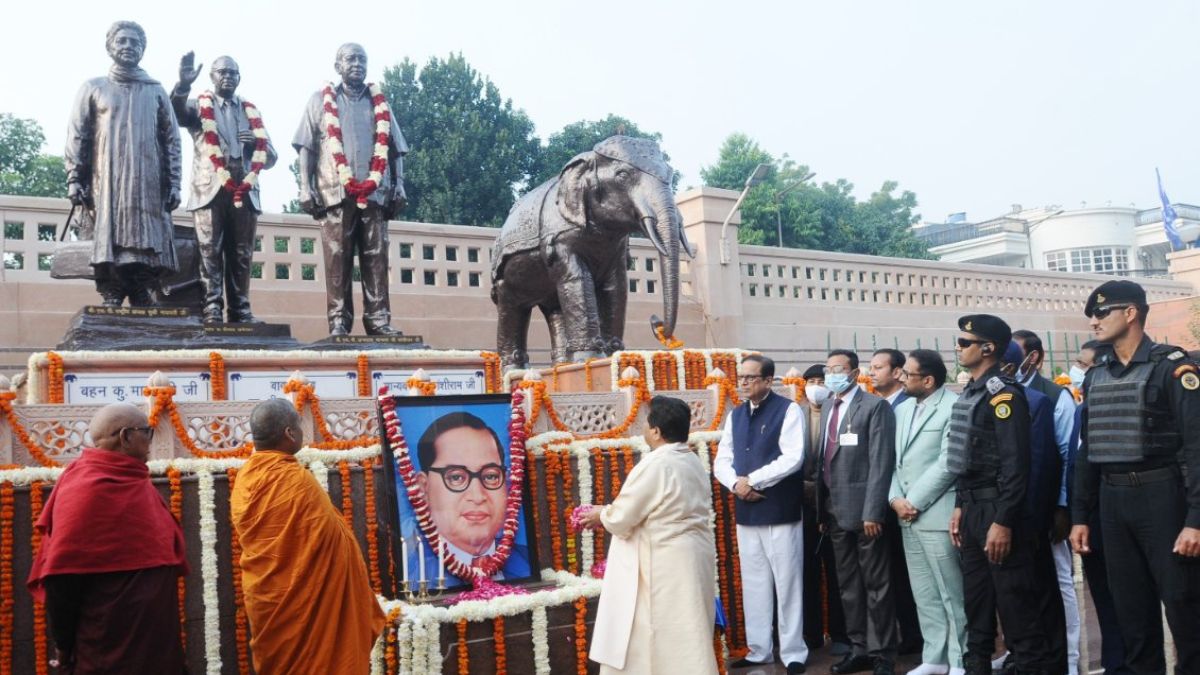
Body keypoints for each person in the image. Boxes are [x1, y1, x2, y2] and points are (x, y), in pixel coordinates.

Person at [1069, 280, 1200, 673]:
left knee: (1184, 609)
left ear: (1131, 314)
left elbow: (1196, 447)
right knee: (1131, 614)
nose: (1094, 322)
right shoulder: (1097, 375)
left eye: (1102, 313)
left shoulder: (1173, 367)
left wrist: (1195, 519)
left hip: (1162, 497)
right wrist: (1080, 514)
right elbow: (1087, 452)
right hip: (1113, 501)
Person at [27, 403, 187, 674]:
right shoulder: (85, 488)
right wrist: (64, 647)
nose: (150, 440)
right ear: (125, 437)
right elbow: (62, 581)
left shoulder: (133, 478)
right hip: (108, 648)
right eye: (146, 432)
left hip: (158, 645)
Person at [947, 314, 1065, 675]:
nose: (958, 347)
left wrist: (1003, 521)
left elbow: (1017, 467)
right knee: (977, 605)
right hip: (972, 507)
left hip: (999, 510)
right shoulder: (972, 391)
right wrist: (959, 506)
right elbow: (968, 459)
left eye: (965, 342)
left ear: (989, 348)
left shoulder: (1004, 394)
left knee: (1017, 608)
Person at [231, 399, 385, 674]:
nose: (301, 431)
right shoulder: (293, 480)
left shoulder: (246, 478)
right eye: (299, 426)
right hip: (306, 608)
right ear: (289, 433)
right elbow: (321, 535)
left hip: (272, 603)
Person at [586, 396, 719, 674]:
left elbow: (624, 516)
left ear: (656, 432)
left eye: (645, 423)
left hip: (665, 561)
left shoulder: (657, 464)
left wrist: (601, 514)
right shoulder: (691, 459)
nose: (643, 429)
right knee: (689, 628)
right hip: (693, 555)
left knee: (661, 632)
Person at [293, 42, 409, 336]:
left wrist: (400, 185)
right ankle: (338, 322)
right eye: (351, 59)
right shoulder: (319, 100)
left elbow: (395, 149)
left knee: (377, 259)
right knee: (337, 260)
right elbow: (306, 147)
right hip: (335, 192)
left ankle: (379, 319)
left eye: (362, 59)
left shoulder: (379, 103)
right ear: (338, 66)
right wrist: (305, 188)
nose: (357, 64)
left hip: (376, 194)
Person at [65, 20, 182, 307]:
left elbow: (172, 140)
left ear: (143, 49)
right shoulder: (94, 87)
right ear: (110, 47)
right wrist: (74, 177)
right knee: (110, 234)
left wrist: (175, 182)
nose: (129, 47)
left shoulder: (155, 90)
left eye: (135, 42)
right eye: (123, 41)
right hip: (107, 178)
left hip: (148, 178)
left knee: (146, 235)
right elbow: (78, 134)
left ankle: (142, 288)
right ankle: (112, 291)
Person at [714, 354, 809, 674]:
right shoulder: (736, 414)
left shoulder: (789, 409)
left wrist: (752, 480)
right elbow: (721, 460)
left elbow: (792, 458)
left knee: (788, 582)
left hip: (780, 509)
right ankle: (759, 650)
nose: (743, 383)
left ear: (769, 380)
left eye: (751, 378)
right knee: (754, 583)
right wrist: (736, 485)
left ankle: (794, 651)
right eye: (740, 377)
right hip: (747, 510)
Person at [171, 53, 278, 324]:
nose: (228, 77)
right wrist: (183, 86)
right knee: (209, 250)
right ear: (212, 76)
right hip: (210, 189)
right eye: (222, 72)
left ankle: (240, 310)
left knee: (241, 254)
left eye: (233, 73)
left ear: (239, 78)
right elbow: (176, 113)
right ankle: (212, 308)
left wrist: (255, 143)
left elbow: (272, 157)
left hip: (245, 191)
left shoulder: (250, 111)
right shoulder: (198, 106)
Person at [815, 349, 898, 675]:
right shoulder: (827, 407)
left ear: (854, 373)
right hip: (835, 511)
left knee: (877, 585)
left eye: (839, 368)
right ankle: (859, 647)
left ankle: (883, 654)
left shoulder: (874, 407)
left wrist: (874, 511)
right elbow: (825, 458)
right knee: (848, 585)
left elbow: (880, 463)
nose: (833, 373)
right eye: (829, 368)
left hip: (866, 513)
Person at [888, 349, 966, 675]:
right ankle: (935, 658)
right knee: (925, 594)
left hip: (935, 512)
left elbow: (949, 462)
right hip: (906, 514)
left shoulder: (953, 406)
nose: (902, 378)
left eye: (908, 374)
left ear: (929, 380)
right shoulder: (902, 409)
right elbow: (891, 461)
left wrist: (913, 501)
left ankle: (961, 658)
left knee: (952, 594)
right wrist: (895, 498)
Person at [1012, 329, 1080, 674]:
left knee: (1060, 580)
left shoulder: (1055, 395)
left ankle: (1068, 657)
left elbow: (1067, 455)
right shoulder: (1005, 392)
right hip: (1015, 511)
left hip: (1049, 508)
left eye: (1016, 352)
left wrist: (1062, 507)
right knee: (1024, 584)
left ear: (1034, 357)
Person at [1065, 340, 1129, 675]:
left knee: (1129, 598)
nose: (1077, 373)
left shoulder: (1119, 409)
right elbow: (1076, 465)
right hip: (1088, 520)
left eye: (1084, 365)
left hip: (1117, 515)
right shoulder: (1081, 409)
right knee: (1102, 595)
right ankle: (1114, 661)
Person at [412, 412, 531, 586]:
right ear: (423, 488)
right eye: (456, 477)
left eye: (490, 476)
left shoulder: (526, 561)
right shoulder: (413, 572)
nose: (477, 496)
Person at [871, 347, 922, 657]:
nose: (872, 371)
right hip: (886, 503)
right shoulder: (876, 406)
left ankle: (922, 634)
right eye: (871, 366)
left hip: (912, 503)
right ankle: (911, 634)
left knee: (915, 573)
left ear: (898, 372)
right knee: (897, 575)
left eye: (878, 367)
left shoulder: (909, 405)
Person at [801, 364, 851, 656]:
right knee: (806, 572)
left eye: (822, 380)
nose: (817, 385)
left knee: (837, 572)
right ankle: (811, 634)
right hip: (802, 506)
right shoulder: (795, 413)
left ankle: (841, 633)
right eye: (812, 381)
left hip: (833, 505)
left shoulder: (840, 411)